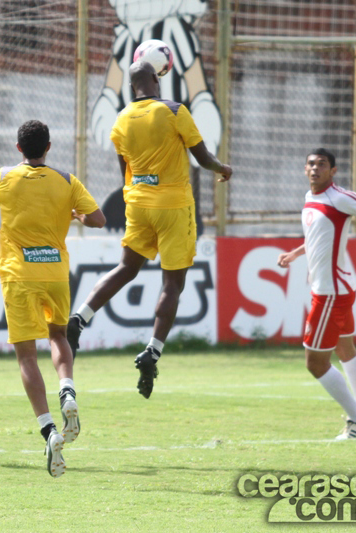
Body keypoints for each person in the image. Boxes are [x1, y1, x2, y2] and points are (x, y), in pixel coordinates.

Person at [67, 61, 232, 399]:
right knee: (172, 284)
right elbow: (202, 158)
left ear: (131, 87)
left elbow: (123, 170)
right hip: (173, 206)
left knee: (127, 268)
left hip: (138, 204)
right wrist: (223, 167)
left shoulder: (121, 120)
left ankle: (80, 317)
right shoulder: (174, 110)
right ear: (158, 80)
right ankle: (152, 351)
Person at [0, 120, 106, 477]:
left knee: (26, 355)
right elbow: (99, 218)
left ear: (19, 149)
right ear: (48, 147)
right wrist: (75, 214)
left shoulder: (3, 177)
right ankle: (68, 391)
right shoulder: (66, 179)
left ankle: (48, 430)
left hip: (19, 275)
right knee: (59, 336)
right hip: (56, 273)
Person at [277, 148, 356, 440]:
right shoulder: (310, 198)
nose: (315, 168)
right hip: (332, 289)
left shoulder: (339, 197)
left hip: (331, 293)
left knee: (315, 363)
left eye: (322, 164)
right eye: (311, 164)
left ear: (333, 171)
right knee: (345, 350)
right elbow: (317, 236)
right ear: (305, 169)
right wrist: (296, 252)